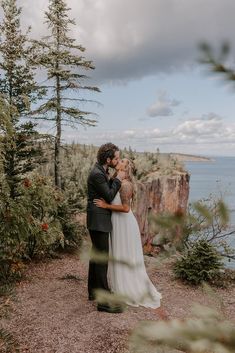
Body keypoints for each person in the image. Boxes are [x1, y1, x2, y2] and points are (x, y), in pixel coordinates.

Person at [94, 158, 162, 309]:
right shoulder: (117, 180)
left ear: (126, 167)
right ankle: (118, 284)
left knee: (124, 254)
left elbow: (125, 208)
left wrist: (105, 206)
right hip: (117, 222)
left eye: (122, 160)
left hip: (124, 223)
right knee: (118, 253)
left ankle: (127, 286)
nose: (119, 160)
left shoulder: (125, 185)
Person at [86, 142, 125, 313]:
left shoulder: (101, 170)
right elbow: (109, 195)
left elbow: (106, 189)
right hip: (99, 220)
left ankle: (93, 292)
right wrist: (119, 179)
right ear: (108, 159)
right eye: (116, 158)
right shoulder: (97, 174)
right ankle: (103, 302)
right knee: (102, 260)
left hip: (97, 220)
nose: (118, 160)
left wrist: (114, 176)